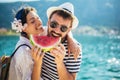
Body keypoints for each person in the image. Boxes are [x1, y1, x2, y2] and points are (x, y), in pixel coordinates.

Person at [31, 2, 82, 80]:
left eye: (63, 28)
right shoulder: (40, 33)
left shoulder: (74, 49)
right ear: (48, 22)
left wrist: (59, 62)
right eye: (54, 24)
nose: (57, 31)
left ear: (69, 30)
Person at [8, 6, 44, 80]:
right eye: (32, 21)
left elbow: (56, 29)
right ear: (24, 28)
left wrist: (70, 39)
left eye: (38, 18)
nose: (39, 22)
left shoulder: (33, 37)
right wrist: (38, 63)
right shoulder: (24, 51)